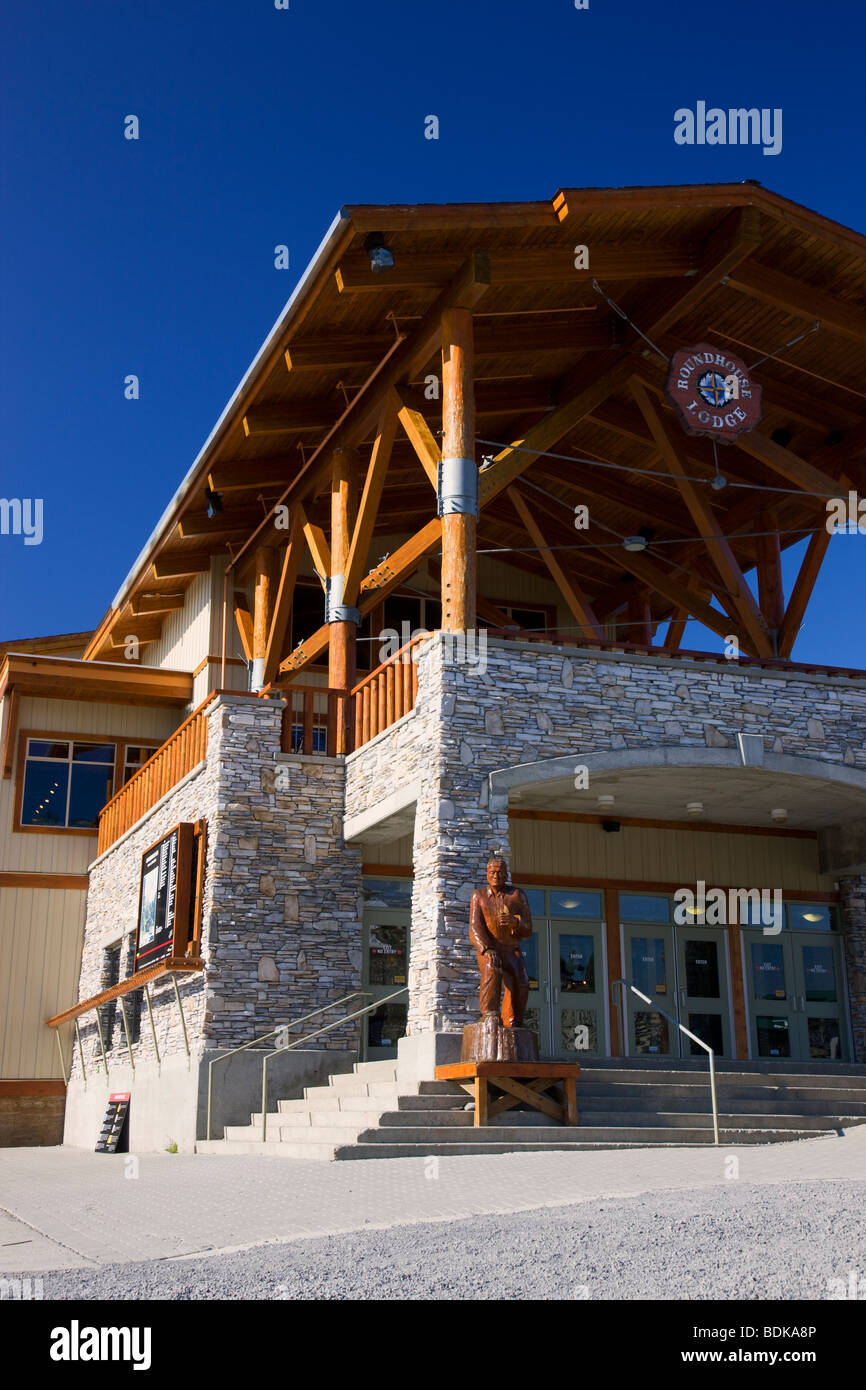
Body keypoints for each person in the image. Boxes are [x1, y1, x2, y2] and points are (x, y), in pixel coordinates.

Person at [469, 856, 533, 1027]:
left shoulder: (517, 895)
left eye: (500, 872)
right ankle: (489, 1015)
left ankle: (514, 1020)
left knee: (522, 981)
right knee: (491, 969)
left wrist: (515, 922)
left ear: (506, 875)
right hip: (491, 949)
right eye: (492, 872)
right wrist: (486, 949)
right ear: (487, 875)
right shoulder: (479, 896)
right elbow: (475, 927)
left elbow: (528, 928)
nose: (496, 875)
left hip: (512, 949)